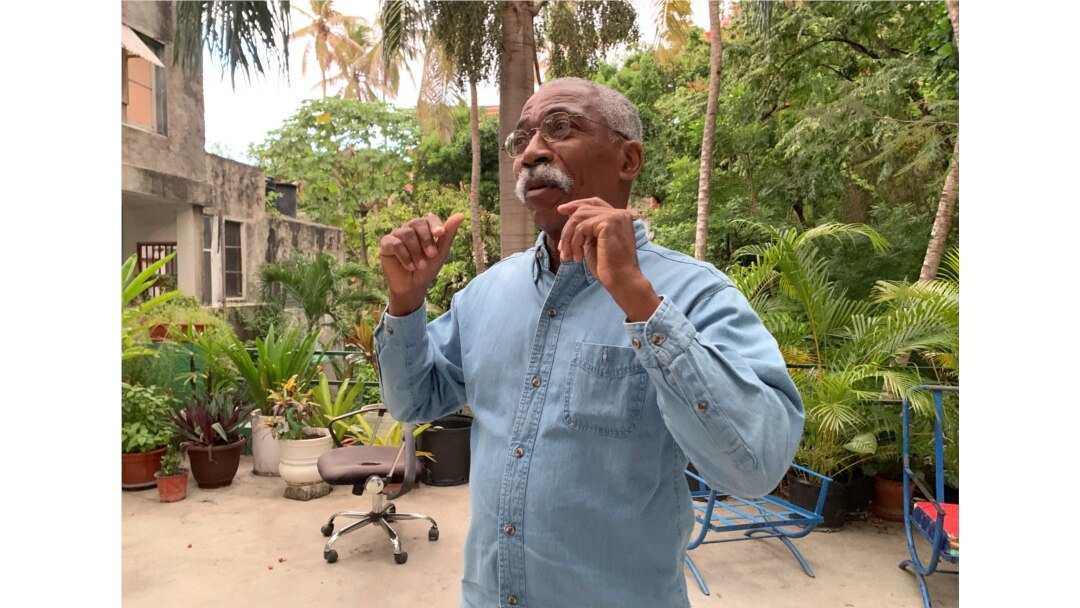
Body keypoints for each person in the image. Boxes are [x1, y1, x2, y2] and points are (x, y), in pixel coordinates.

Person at [375, 77, 804, 608]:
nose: (532, 152)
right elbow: (413, 401)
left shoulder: (697, 294)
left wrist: (641, 305)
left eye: (560, 128)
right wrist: (406, 302)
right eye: (522, 138)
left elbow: (756, 467)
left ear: (628, 160)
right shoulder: (485, 293)